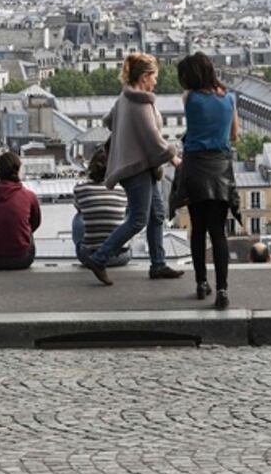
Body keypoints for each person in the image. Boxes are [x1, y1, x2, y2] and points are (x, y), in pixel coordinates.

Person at [82, 53, 184, 286]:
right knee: (138, 219)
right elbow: (154, 140)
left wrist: (126, 133)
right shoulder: (141, 104)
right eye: (154, 77)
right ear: (145, 77)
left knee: (156, 215)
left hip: (139, 165)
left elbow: (108, 120)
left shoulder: (125, 97)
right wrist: (173, 156)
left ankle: (158, 264)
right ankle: (99, 258)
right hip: (136, 167)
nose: (156, 82)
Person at [175, 52, 239, 310]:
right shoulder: (229, 98)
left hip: (195, 166)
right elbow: (234, 135)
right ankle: (222, 289)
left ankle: (201, 283)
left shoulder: (190, 98)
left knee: (198, 229)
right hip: (220, 167)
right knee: (219, 232)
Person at [0, 152, 41, 270]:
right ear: (17, 170)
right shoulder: (29, 195)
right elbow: (35, 223)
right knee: (27, 229)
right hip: (22, 259)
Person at [72, 147, 130, 268]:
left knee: (79, 215)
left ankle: (91, 246)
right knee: (125, 215)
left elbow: (79, 207)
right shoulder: (122, 190)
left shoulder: (80, 188)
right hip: (121, 257)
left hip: (90, 258)